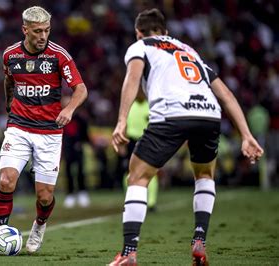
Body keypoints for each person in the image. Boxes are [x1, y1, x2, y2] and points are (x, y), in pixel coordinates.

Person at [109, 9, 263, 266]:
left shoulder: (141, 46)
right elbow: (224, 92)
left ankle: (128, 252)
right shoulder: (188, 50)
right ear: (166, 32)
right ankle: (199, 239)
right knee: (204, 174)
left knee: (137, 176)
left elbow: (132, 77)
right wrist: (246, 134)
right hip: (209, 114)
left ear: (138, 33)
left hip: (172, 112)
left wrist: (121, 120)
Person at [0, 6, 88, 255]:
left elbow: (81, 89)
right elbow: (9, 80)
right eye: (38, 31)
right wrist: (9, 101)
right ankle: (0, 234)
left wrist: (69, 110)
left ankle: (39, 225)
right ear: (25, 30)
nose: (43, 36)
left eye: (47, 30)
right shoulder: (10, 55)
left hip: (50, 132)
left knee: (44, 196)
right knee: (6, 180)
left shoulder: (58, 55)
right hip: (19, 127)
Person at [123, 93, 158, 211]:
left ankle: (151, 203)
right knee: (129, 171)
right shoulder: (129, 107)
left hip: (147, 140)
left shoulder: (151, 106)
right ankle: (129, 198)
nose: (140, 94)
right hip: (131, 141)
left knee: (150, 171)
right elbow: (123, 126)